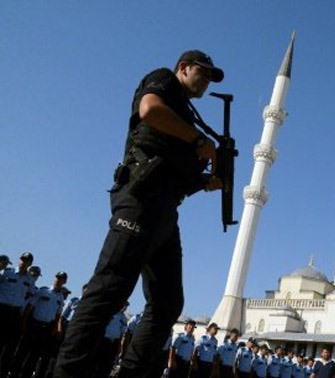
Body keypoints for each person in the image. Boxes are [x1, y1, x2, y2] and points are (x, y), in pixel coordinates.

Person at [54, 49, 225, 377]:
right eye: (202, 73)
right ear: (183, 67)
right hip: (140, 200)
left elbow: (177, 173)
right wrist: (196, 139)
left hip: (165, 210)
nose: (205, 81)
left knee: (167, 304)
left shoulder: (186, 115)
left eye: (210, 78)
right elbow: (149, 110)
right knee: (109, 289)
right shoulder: (162, 81)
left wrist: (205, 182)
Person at [11, 271, 66, 378]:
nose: (58, 280)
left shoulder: (60, 297)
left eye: (61, 279)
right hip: (34, 325)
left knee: (34, 356)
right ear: (54, 278)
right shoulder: (43, 291)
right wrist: (24, 321)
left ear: (64, 282)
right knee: (23, 352)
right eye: (57, 277)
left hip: (45, 329)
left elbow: (58, 315)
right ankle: (13, 373)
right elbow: (30, 307)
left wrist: (55, 328)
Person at [0, 252, 36, 377]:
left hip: (15, 314)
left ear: (30, 263)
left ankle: (3, 372)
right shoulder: (6, 272)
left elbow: (30, 298)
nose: (23, 262)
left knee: (9, 346)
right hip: (2, 310)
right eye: (22, 259)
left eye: (27, 260)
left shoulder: (30, 280)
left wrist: (24, 315)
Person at [92, 302, 128, 378]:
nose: (124, 307)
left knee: (107, 366)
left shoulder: (124, 318)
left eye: (126, 306)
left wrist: (119, 348)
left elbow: (122, 334)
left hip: (113, 343)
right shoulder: (110, 312)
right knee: (95, 364)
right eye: (123, 305)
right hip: (103, 341)